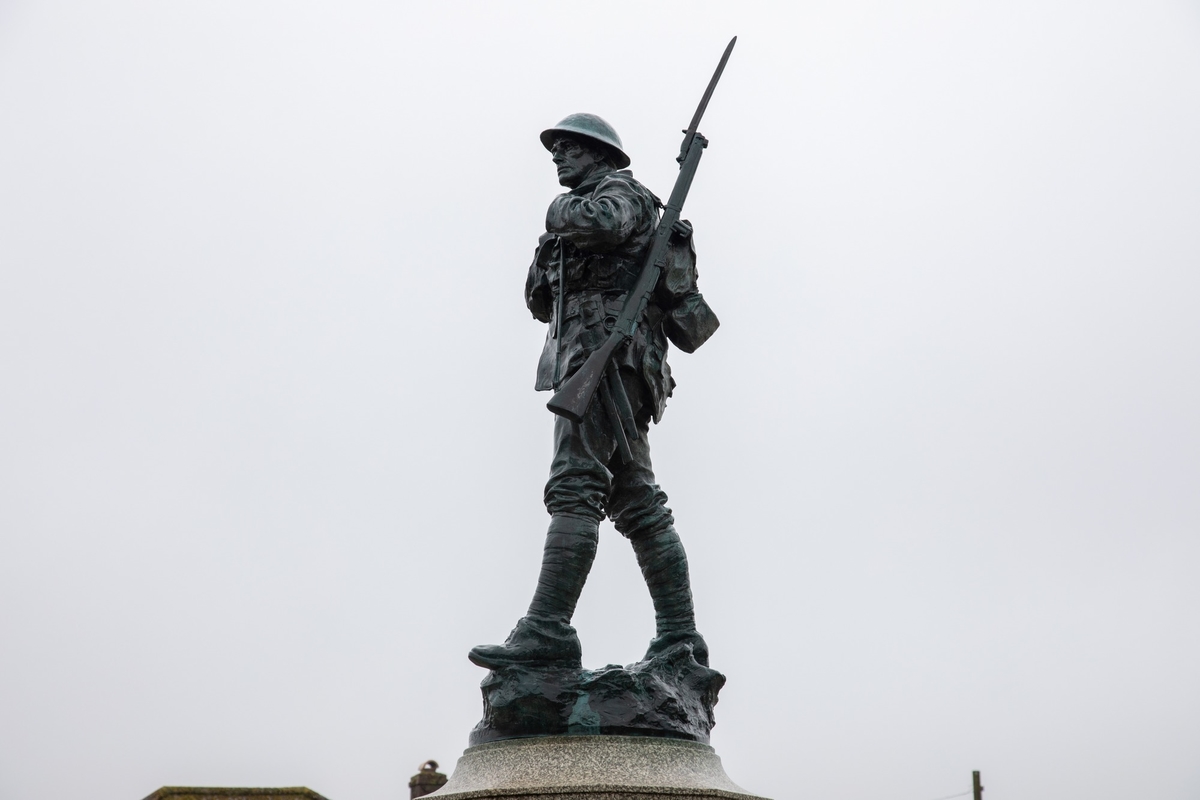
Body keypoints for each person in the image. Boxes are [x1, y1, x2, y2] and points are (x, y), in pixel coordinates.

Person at [468, 113, 719, 671]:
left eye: (569, 149)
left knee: (576, 485)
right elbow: (540, 301)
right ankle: (680, 636)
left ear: (600, 155)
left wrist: (558, 217)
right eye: (555, 150)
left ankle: (547, 631)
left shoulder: (620, 193)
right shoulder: (573, 221)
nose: (558, 158)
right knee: (636, 500)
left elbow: (605, 225)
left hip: (611, 358)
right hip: (588, 359)